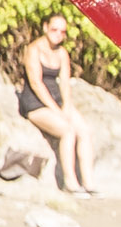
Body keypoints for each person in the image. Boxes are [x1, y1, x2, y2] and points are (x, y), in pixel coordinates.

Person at [16, 12, 92, 194]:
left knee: (84, 131)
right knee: (67, 131)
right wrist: (56, 110)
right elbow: (36, 83)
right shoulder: (34, 50)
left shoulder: (62, 53)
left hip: (57, 100)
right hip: (36, 102)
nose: (58, 34)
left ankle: (89, 182)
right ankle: (70, 182)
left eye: (62, 31)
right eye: (54, 29)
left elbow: (65, 82)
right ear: (45, 28)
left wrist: (66, 105)